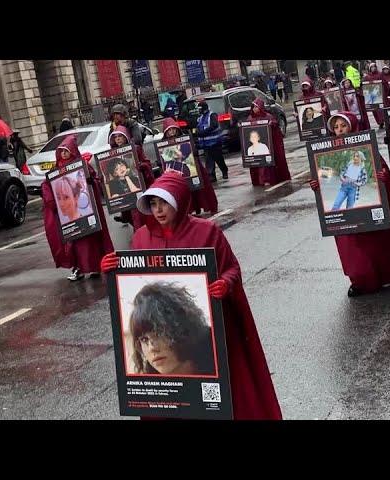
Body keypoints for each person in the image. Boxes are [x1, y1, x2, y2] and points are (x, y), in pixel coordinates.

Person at [100, 171, 283, 420]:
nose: (158, 210)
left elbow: (231, 267)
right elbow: (133, 273)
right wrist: (112, 270)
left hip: (208, 331)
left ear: (179, 200)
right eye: (153, 204)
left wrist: (225, 283)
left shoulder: (207, 231)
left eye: (163, 202)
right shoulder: (142, 236)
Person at [309, 111, 390, 296]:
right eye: (336, 127)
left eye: (343, 126)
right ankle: (362, 280)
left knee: (377, 245)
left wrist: (384, 177)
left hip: (364, 205)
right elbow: (329, 178)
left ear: (352, 126)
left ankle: (387, 274)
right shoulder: (329, 152)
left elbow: (378, 172)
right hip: (346, 211)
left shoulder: (365, 147)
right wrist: (318, 184)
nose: (340, 130)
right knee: (353, 248)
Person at [41, 135, 113, 281]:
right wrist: (51, 201)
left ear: (73, 151)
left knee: (90, 241)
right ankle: (78, 269)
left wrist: (90, 181)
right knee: (72, 243)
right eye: (61, 151)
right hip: (67, 217)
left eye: (66, 150)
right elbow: (46, 185)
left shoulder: (83, 165)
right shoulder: (56, 169)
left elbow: (96, 182)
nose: (63, 154)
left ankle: (93, 268)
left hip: (85, 214)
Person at [128, 281, 215, 375]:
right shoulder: (150, 385)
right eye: (144, 339)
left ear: (182, 328)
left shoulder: (220, 358)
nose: (152, 348)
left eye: (159, 333)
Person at [162, 117, 218, 216]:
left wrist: (194, 152)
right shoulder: (162, 145)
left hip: (190, 167)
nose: (172, 132)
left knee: (199, 186)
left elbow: (188, 151)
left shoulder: (185, 139)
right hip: (175, 171)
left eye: (174, 129)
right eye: (169, 130)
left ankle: (207, 206)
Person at [108, 126, 156, 231]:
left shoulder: (136, 149)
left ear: (126, 136)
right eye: (115, 137)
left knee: (138, 216)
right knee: (130, 215)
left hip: (137, 189)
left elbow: (147, 163)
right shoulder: (111, 154)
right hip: (124, 194)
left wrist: (142, 166)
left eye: (120, 136)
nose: (117, 139)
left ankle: (141, 236)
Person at [247, 98, 291, 187]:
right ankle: (258, 180)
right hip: (255, 147)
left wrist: (272, 125)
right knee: (257, 162)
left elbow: (276, 131)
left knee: (266, 164)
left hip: (267, 145)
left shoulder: (268, 116)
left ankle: (267, 179)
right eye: (253, 107)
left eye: (256, 107)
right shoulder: (250, 118)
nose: (254, 109)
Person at [195, 100, 229, 183]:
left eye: (200, 109)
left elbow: (214, 125)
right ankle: (211, 176)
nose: (199, 111)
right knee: (209, 160)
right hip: (206, 144)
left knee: (218, 159)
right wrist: (197, 133)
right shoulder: (200, 118)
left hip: (215, 142)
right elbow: (198, 128)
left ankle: (224, 171)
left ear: (204, 108)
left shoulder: (212, 115)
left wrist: (204, 132)